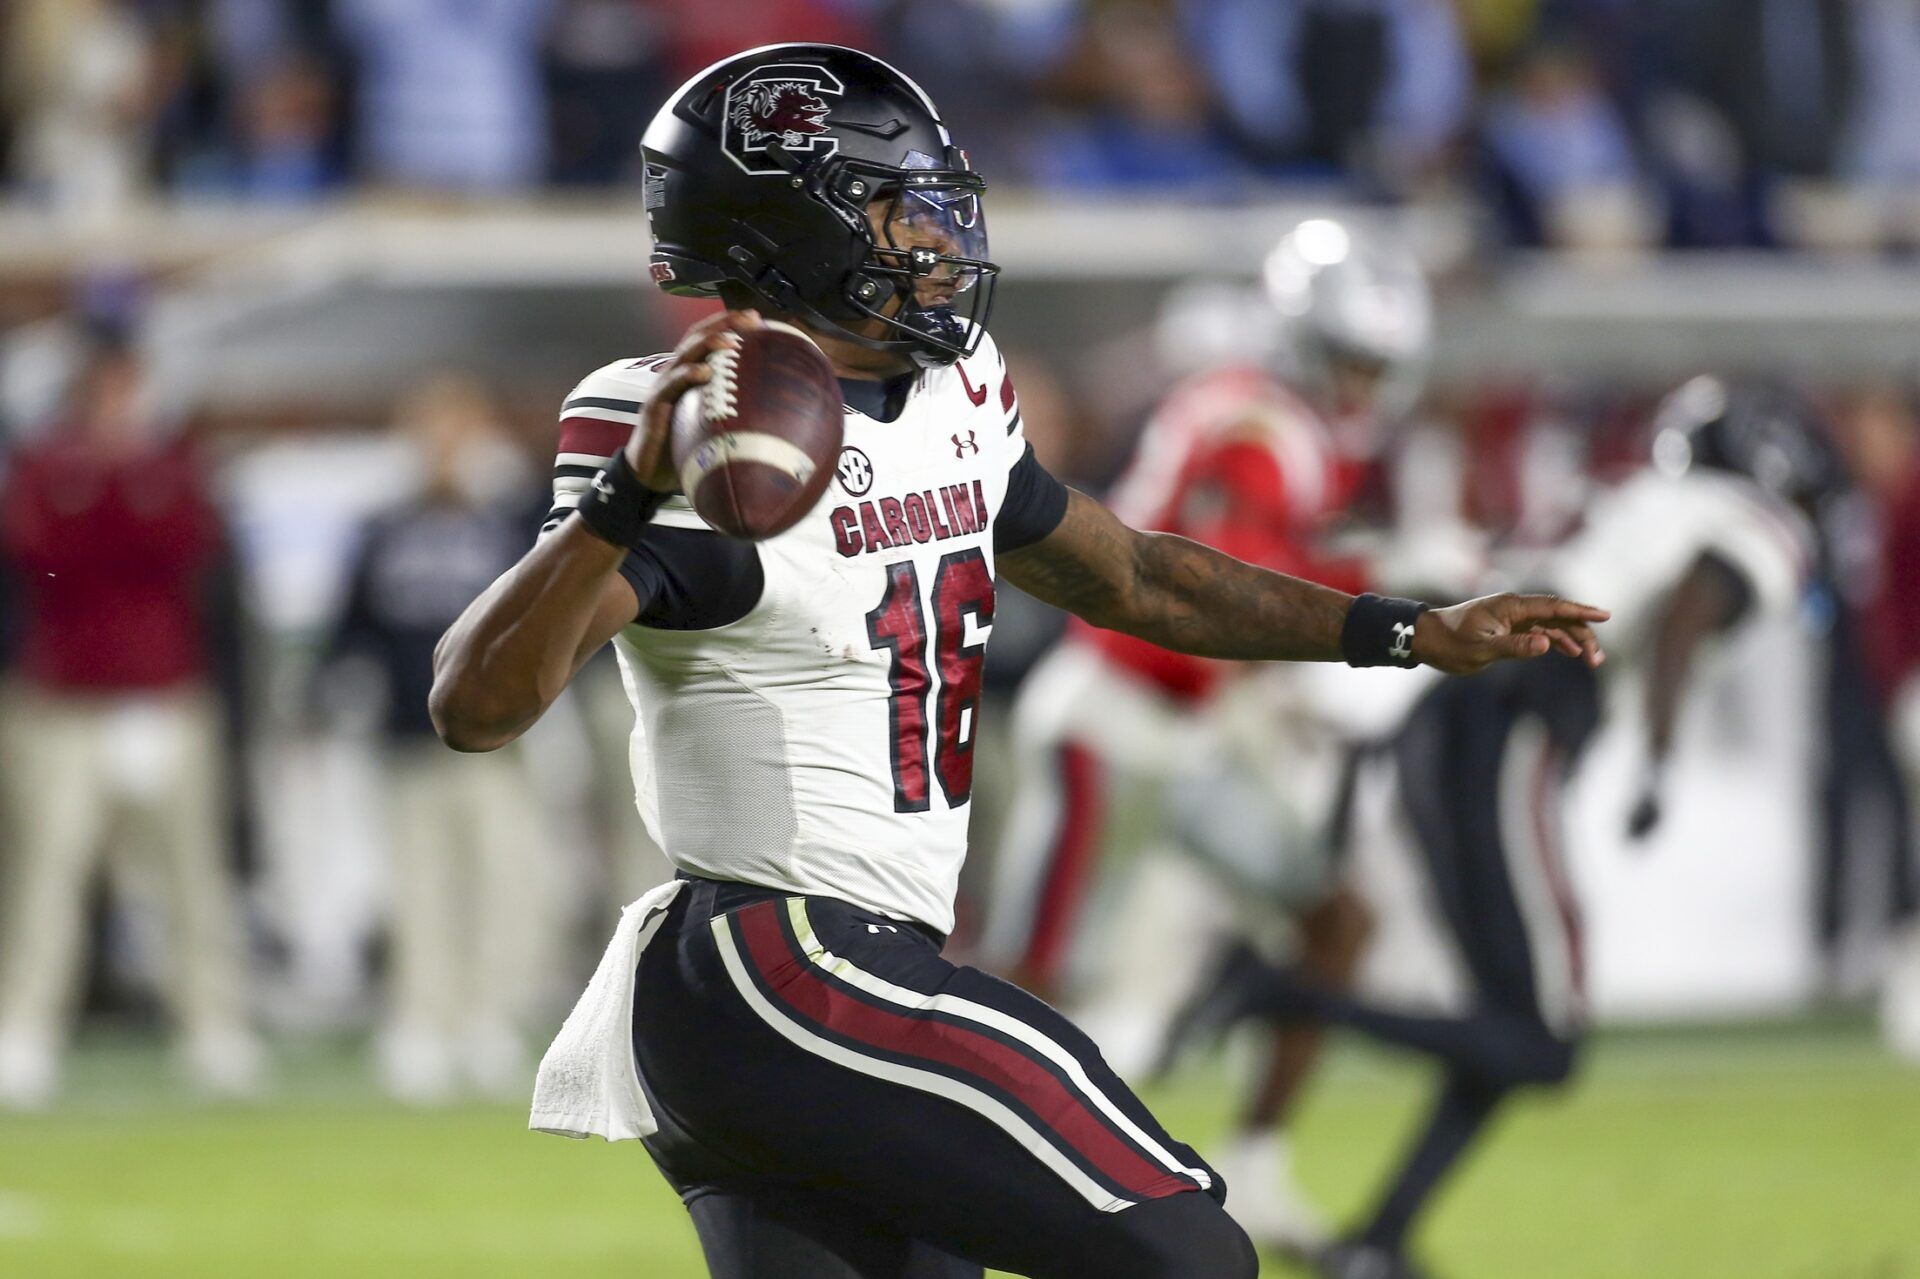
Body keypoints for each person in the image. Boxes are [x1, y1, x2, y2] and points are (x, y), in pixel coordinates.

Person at [428, 43, 1606, 1279]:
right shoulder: (675, 421)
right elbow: (477, 703)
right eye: (897, 206)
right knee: (1190, 1253)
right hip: (781, 961)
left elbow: (1141, 576)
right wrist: (626, 492)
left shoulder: (956, 392)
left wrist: (1409, 628)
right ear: (790, 232)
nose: (936, 238)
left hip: (832, 978)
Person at [1177, 376, 1832, 1279]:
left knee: (1515, 1027)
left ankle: (1380, 1238)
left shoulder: (1627, 495)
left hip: (1453, 718)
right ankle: (1278, 990)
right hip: (1513, 719)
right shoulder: (1754, 523)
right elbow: (1692, 606)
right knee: (1545, 1040)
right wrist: (1660, 757)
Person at [979, 217, 1438, 1253]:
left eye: (1377, 368)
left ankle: (1263, 1167)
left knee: (1336, 922)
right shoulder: (1251, 424)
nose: (1362, 391)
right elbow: (1222, 582)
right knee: (1031, 982)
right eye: (1349, 363)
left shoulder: (1273, 418)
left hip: (1194, 737)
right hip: (1114, 721)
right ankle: (946, 1192)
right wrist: (1379, 591)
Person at [0, 332, 261, 1107]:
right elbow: (52, 553)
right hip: (65, 701)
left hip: (164, 696)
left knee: (189, 875)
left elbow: (182, 549)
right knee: (48, 875)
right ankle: (25, 1028)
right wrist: (110, 485)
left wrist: (121, 486)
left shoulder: (174, 468)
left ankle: (213, 1024)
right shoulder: (47, 468)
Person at [315, 373, 554, 1102]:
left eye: (459, 430)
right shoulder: (383, 527)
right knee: (420, 887)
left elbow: (548, 622)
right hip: (409, 736)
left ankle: (488, 1016)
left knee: (503, 881)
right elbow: (348, 627)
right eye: (433, 430)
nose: (446, 447)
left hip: (502, 741)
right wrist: (331, 696)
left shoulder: (514, 523)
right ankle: (421, 1020)